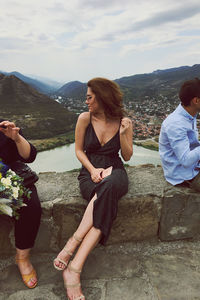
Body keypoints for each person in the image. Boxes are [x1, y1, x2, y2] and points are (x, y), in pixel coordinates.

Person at [54, 77, 133, 300]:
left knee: (109, 185)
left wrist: (125, 134)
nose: (86, 101)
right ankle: (74, 269)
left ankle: (73, 246)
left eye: (89, 97)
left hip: (116, 171)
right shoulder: (84, 118)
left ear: (102, 97)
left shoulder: (123, 121)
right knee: (106, 199)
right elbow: (79, 151)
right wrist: (91, 170)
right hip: (89, 172)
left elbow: (126, 156)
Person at [0, 120, 41, 288]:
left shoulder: (4, 127)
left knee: (30, 205)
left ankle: (22, 258)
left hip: (9, 177)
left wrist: (16, 138)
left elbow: (29, 156)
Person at [159, 77, 200, 191]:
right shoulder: (176, 123)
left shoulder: (190, 116)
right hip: (183, 176)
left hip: (193, 167)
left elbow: (193, 146)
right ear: (196, 100)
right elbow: (185, 160)